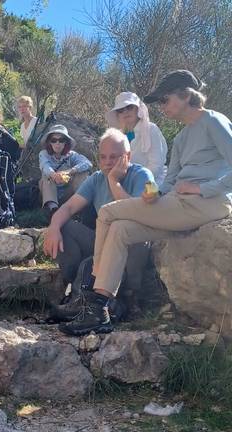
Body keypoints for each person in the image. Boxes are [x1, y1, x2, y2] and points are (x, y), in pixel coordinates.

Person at [58, 70, 232, 336]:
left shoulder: (214, 121)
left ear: (186, 96)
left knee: (107, 213)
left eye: (165, 100)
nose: (161, 107)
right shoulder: (183, 137)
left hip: (207, 204)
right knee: (121, 229)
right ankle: (99, 311)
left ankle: (93, 284)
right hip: (178, 207)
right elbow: (170, 180)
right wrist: (154, 194)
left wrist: (201, 188)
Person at [44, 128, 154, 322]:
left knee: (132, 237)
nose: (108, 162)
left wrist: (114, 181)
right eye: (103, 157)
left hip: (130, 244)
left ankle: (128, 295)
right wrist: (53, 227)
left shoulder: (142, 175)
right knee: (63, 225)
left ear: (127, 156)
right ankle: (75, 290)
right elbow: (68, 208)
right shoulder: (96, 178)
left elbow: (137, 214)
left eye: (114, 157)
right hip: (101, 243)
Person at [106, 91, 168, 185]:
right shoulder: (118, 136)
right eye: (120, 110)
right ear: (117, 115)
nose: (125, 111)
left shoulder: (151, 129)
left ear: (138, 109)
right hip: (127, 182)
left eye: (129, 107)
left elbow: (156, 165)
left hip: (154, 182)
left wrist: (139, 181)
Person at [39, 125, 92, 218]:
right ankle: (53, 210)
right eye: (54, 140)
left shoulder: (72, 155)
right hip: (50, 192)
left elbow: (87, 163)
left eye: (61, 140)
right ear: (49, 143)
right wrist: (54, 175)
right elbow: (45, 166)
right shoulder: (44, 154)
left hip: (68, 193)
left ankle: (81, 206)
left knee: (83, 173)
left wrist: (69, 171)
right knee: (46, 176)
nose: (57, 143)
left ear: (65, 143)